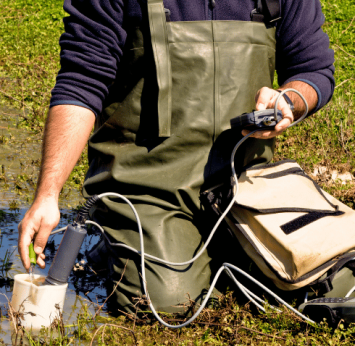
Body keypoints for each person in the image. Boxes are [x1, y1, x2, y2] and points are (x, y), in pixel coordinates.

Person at [18, 0, 334, 314]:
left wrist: (291, 101)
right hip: (145, 189)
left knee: (335, 282)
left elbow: (314, 69)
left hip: (246, 187)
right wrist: (47, 195)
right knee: (168, 305)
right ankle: (118, 240)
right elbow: (81, 84)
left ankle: (212, 249)